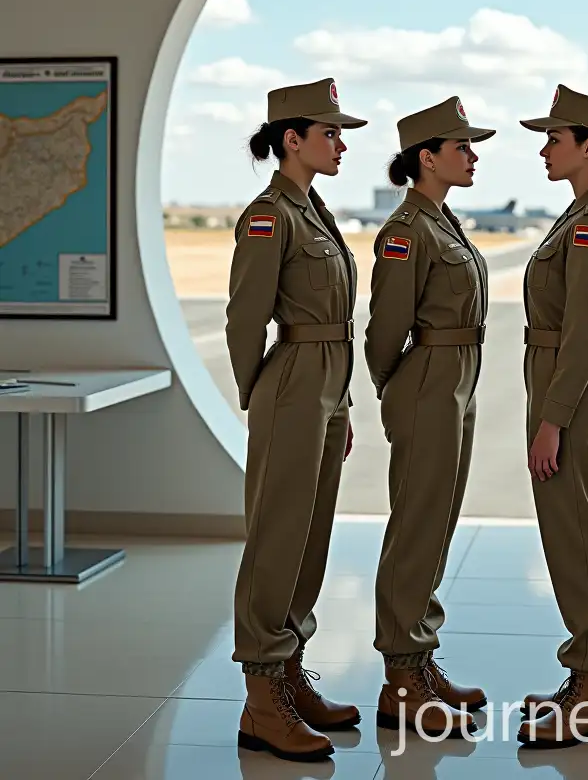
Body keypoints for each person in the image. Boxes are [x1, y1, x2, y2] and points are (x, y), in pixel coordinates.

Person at [226, 78, 367, 763]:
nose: (341, 145)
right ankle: (261, 700)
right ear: (292, 139)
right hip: (292, 386)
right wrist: (261, 394)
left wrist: (340, 401)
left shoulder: (314, 210)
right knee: (276, 538)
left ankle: (288, 674)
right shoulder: (269, 216)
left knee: (310, 538)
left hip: (326, 388)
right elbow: (244, 317)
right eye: (330, 133)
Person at [364, 96, 495, 738]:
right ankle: (401, 679)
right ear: (427, 157)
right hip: (427, 383)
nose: (472, 157)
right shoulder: (406, 231)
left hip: (456, 382)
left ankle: (418, 658)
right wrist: (397, 387)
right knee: (416, 525)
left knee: (437, 523)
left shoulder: (442, 222)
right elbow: (385, 328)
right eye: (462, 147)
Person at [514, 84, 588, 750]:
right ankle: (586, 676)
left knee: (575, 537)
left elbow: (584, 331)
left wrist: (552, 420)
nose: (544, 150)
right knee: (569, 535)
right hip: (561, 382)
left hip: (570, 389)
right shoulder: (580, 213)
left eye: (554, 139)